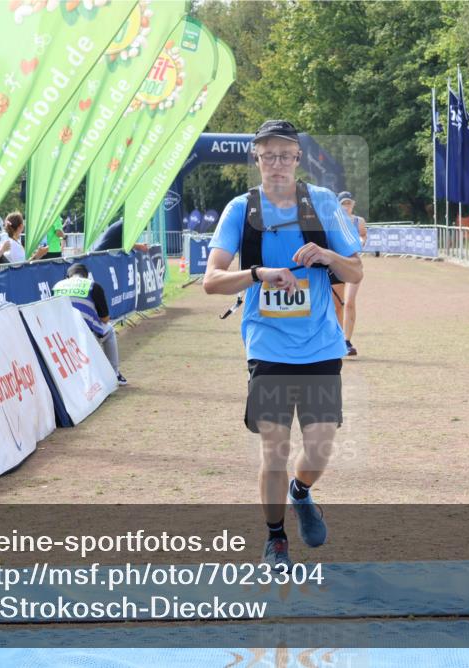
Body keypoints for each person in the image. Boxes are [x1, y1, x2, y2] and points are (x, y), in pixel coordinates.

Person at [203, 119, 363, 567]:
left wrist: (327, 255)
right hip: (267, 345)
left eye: (285, 155)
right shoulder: (240, 209)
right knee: (274, 448)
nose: (276, 163)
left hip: (320, 347)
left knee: (319, 448)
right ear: (256, 159)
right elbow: (211, 282)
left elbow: (355, 273)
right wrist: (258, 274)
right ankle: (275, 538)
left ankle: (302, 490)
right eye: (267, 155)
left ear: (298, 159)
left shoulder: (324, 204)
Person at [53, 262, 127, 386]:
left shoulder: (57, 286)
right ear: (86, 276)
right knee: (109, 330)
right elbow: (104, 319)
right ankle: (115, 374)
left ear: (68, 277)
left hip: (61, 334)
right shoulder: (93, 286)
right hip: (84, 333)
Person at [337, 192, 367, 356]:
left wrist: (362, 241)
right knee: (336, 303)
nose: (346, 206)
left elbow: (363, 235)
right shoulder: (333, 221)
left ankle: (347, 341)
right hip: (337, 265)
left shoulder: (359, 221)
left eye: (348, 203)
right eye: (343, 203)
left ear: (353, 204)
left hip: (354, 266)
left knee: (349, 302)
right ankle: (335, 339)